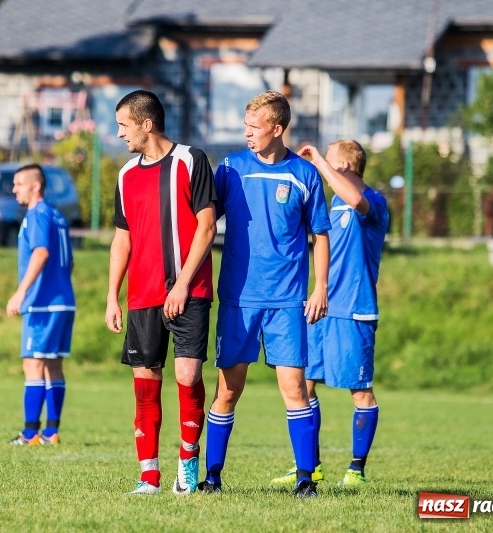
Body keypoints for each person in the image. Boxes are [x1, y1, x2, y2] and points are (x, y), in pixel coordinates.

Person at [199, 91, 331, 499]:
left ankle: (306, 478)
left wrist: (320, 287)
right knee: (228, 390)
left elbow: (320, 235)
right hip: (239, 299)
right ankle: (213, 477)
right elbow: (202, 220)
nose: (247, 133)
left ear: (277, 129)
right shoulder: (231, 168)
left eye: (254, 127)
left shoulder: (304, 174)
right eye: (245, 126)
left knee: (294, 389)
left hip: (288, 301)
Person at [104, 90, 217, 495]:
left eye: (123, 125)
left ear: (146, 124)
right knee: (145, 380)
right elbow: (122, 239)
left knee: (188, 375)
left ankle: (188, 463)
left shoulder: (192, 160)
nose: (118, 134)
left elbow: (207, 227)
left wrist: (183, 283)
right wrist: (111, 295)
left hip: (191, 290)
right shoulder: (126, 174)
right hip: (143, 296)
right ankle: (148, 475)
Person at [271, 140, 389, 489]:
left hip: (354, 312)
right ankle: (310, 465)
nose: (325, 167)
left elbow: (356, 199)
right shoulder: (334, 203)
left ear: (347, 166)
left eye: (331, 162)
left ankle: (356, 469)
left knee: (360, 391)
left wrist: (319, 161)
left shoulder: (373, 204)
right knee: (303, 385)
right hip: (321, 310)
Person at [6, 164, 75, 446]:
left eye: (19, 183)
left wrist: (21, 291)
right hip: (64, 302)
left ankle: (31, 433)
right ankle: (51, 431)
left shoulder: (37, 214)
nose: (14, 189)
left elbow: (42, 252)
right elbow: (69, 261)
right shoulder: (58, 215)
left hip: (43, 303)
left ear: (36, 186)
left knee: (32, 365)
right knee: (53, 366)